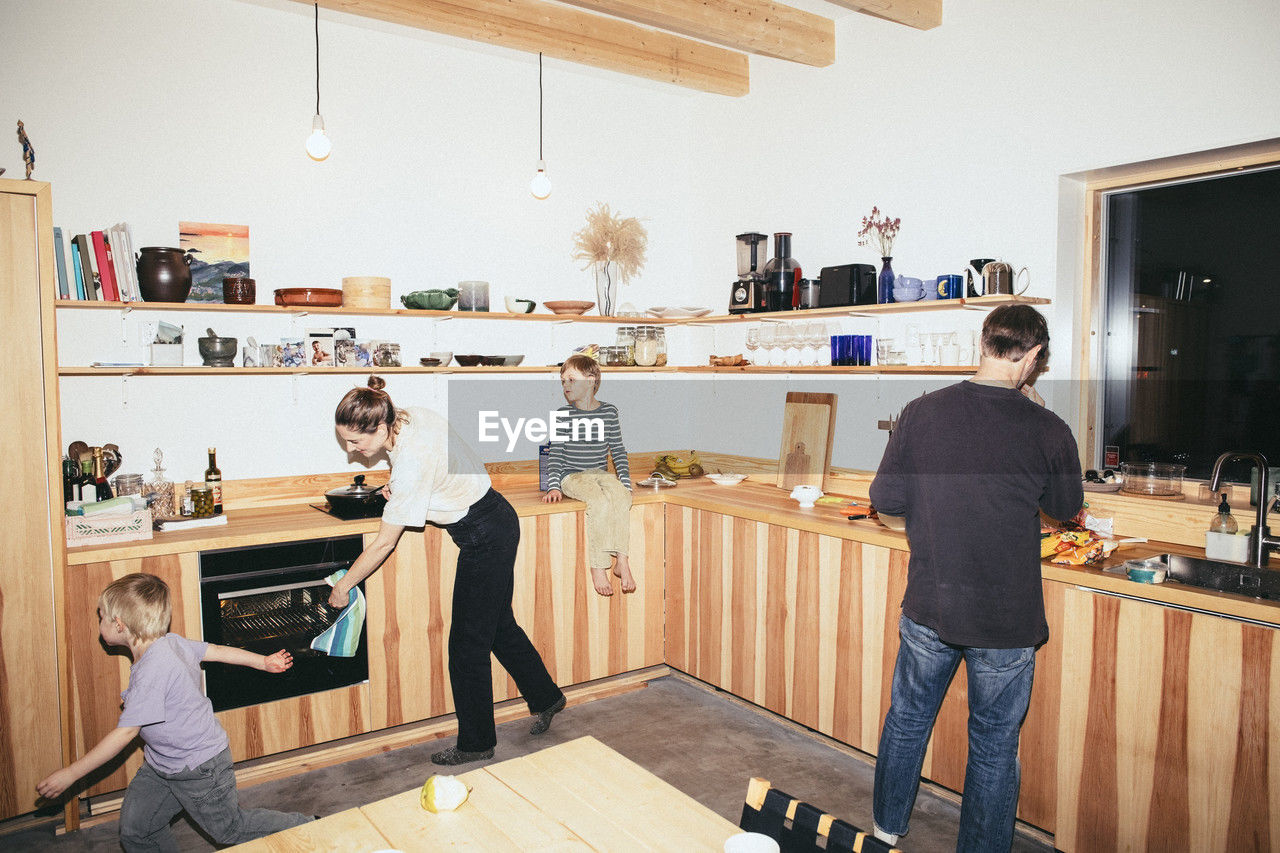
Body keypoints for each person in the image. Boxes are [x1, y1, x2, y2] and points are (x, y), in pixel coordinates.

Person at [867, 304, 1083, 850]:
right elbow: (1066, 507)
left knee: (908, 720)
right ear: (1033, 356)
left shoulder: (919, 412)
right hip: (1005, 619)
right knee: (992, 744)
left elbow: (885, 500)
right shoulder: (1047, 428)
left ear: (983, 343)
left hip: (930, 607)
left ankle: (886, 829)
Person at [330, 376, 566, 765]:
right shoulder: (412, 417)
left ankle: (476, 743)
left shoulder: (410, 461)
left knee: (466, 646)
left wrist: (344, 586)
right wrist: (404, 488)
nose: (352, 451)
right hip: (495, 518)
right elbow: (441, 463)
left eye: (356, 442)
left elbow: (384, 543)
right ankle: (547, 697)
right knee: (498, 627)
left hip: (484, 536)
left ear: (379, 425)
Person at [36, 573, 312, 851]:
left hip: (200, 768)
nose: (99, 623)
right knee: (137, 830)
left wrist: (71, 774)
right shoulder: (169, 642)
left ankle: (311, 828)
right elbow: (214, 651)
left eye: (102, 617)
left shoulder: (153, 669)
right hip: (162, 764)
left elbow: (126, 733)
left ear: (119, 624)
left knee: (231, 829)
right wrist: (262, 662)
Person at [541, 353, 636, 596]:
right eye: (563, 381)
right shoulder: (563, 415)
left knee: (622, 498)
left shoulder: (609, 412)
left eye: (571, 380)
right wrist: (554, 486)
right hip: (572, 476)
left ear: (591, 380)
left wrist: (625, 482)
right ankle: (598, 566)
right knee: (598, 501)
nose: (565, 386)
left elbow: (618, 450)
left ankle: (622, 561)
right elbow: (555, 456)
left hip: (600, 474)